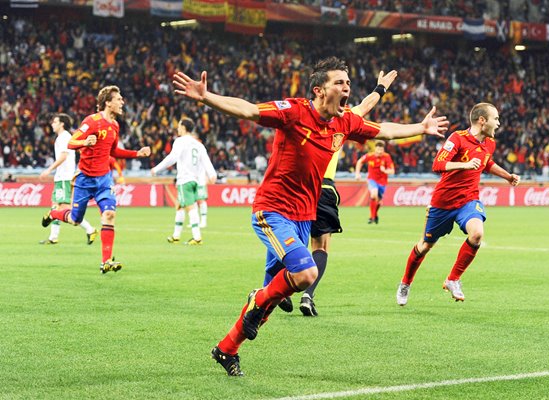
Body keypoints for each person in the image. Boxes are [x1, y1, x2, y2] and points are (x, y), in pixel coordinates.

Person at [173, 56, 448, 376]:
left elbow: (382, 128)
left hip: (303, 217)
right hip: (272, 210)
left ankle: (226, 349)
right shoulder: (293, 111)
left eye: (348, 83)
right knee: (304, 274)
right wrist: (207, 96)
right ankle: (256, 298)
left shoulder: (344, 121)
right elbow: (248, 109)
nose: (346, 87)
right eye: (339, 83)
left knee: (266, 307)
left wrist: (421, 126)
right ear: (319, 90)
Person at [396, 102, 520, 306]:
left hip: (468, 201)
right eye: (495, 119)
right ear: (482, 120)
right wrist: (464, 164)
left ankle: (453, 279)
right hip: (443, 203)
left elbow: (486, 163)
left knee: (477, 233)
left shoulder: (489, 143)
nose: (498, 123)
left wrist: (506, 176)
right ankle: (405, 283)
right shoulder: (457, 138)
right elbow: (437, 164)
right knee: (425, 245)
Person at [298, 71, 398, 317]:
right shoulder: (341, 122)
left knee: (290, 243)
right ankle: (308, 295)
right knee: (321, 246)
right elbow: (365, 106)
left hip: (297, 187)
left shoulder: (300, 118)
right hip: (324, 187)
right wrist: (380, 88)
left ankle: (273, 288)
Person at [41, 85, 151, 273]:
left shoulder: (115, 125)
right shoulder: (92, 121)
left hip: (104, 180)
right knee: (76, 220)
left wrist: (136, 153)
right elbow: (71, 142)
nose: (122, 101)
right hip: (84, 180)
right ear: (108, 102)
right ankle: (54, 214)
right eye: (118, 99)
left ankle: (105, 262)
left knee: (109, 215)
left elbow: (114, 151)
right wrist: (85, 141)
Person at [151, 117, 217, 245]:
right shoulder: (198, 144)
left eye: (179, 126)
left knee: (190, 207)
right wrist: (212, 174)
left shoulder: (180, 141)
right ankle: (176, 235)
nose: (177, 128)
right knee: (179, 205)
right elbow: (206, 160)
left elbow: (172, 158)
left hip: (184, 179)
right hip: (196, 180)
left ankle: (197, 237)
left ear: (183, 127)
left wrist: (157, 169)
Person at [39, 113, 97, 245]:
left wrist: (48, 170)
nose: (52, 124)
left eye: (55, 122)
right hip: (61, 177)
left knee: (65, 210)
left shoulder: (64, 137)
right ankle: (53, 237)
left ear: (62, 124)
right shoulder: (63, 137)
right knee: (55, 206)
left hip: (64, 177)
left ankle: (90, 229)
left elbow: (64, 156)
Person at [354, 140, 395, 224]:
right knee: (373, 194)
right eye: (378, 150)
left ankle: (375, 214)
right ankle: (372, 217)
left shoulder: (387, 157)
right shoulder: (370, 156)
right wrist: (357, 173)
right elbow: (359, 162)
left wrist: (385, 171)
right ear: (375, 149)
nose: (379, 152)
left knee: (379, 201)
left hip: (383, 182)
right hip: (372, 179)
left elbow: (392, 171)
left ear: (383, 150)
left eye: (381, 150)